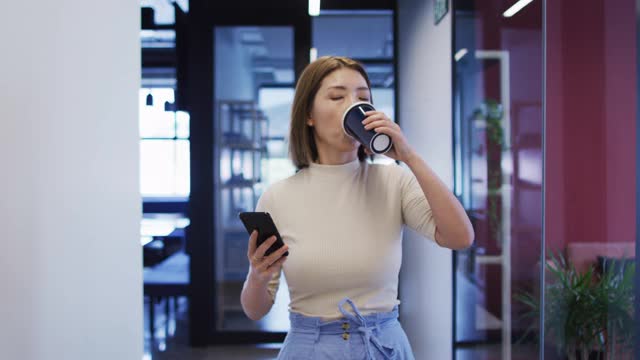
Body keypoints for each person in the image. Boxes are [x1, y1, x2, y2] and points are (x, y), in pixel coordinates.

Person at [240, 56, 474, 360]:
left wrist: (408, 156)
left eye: (363, 98)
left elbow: (460, 237)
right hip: (309, 348)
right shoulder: (278, 197)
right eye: (337, 96)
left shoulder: (393, 181)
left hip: (384, 347)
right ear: (308, 114)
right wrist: (257, 276)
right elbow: (255, 310)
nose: (353, 105)